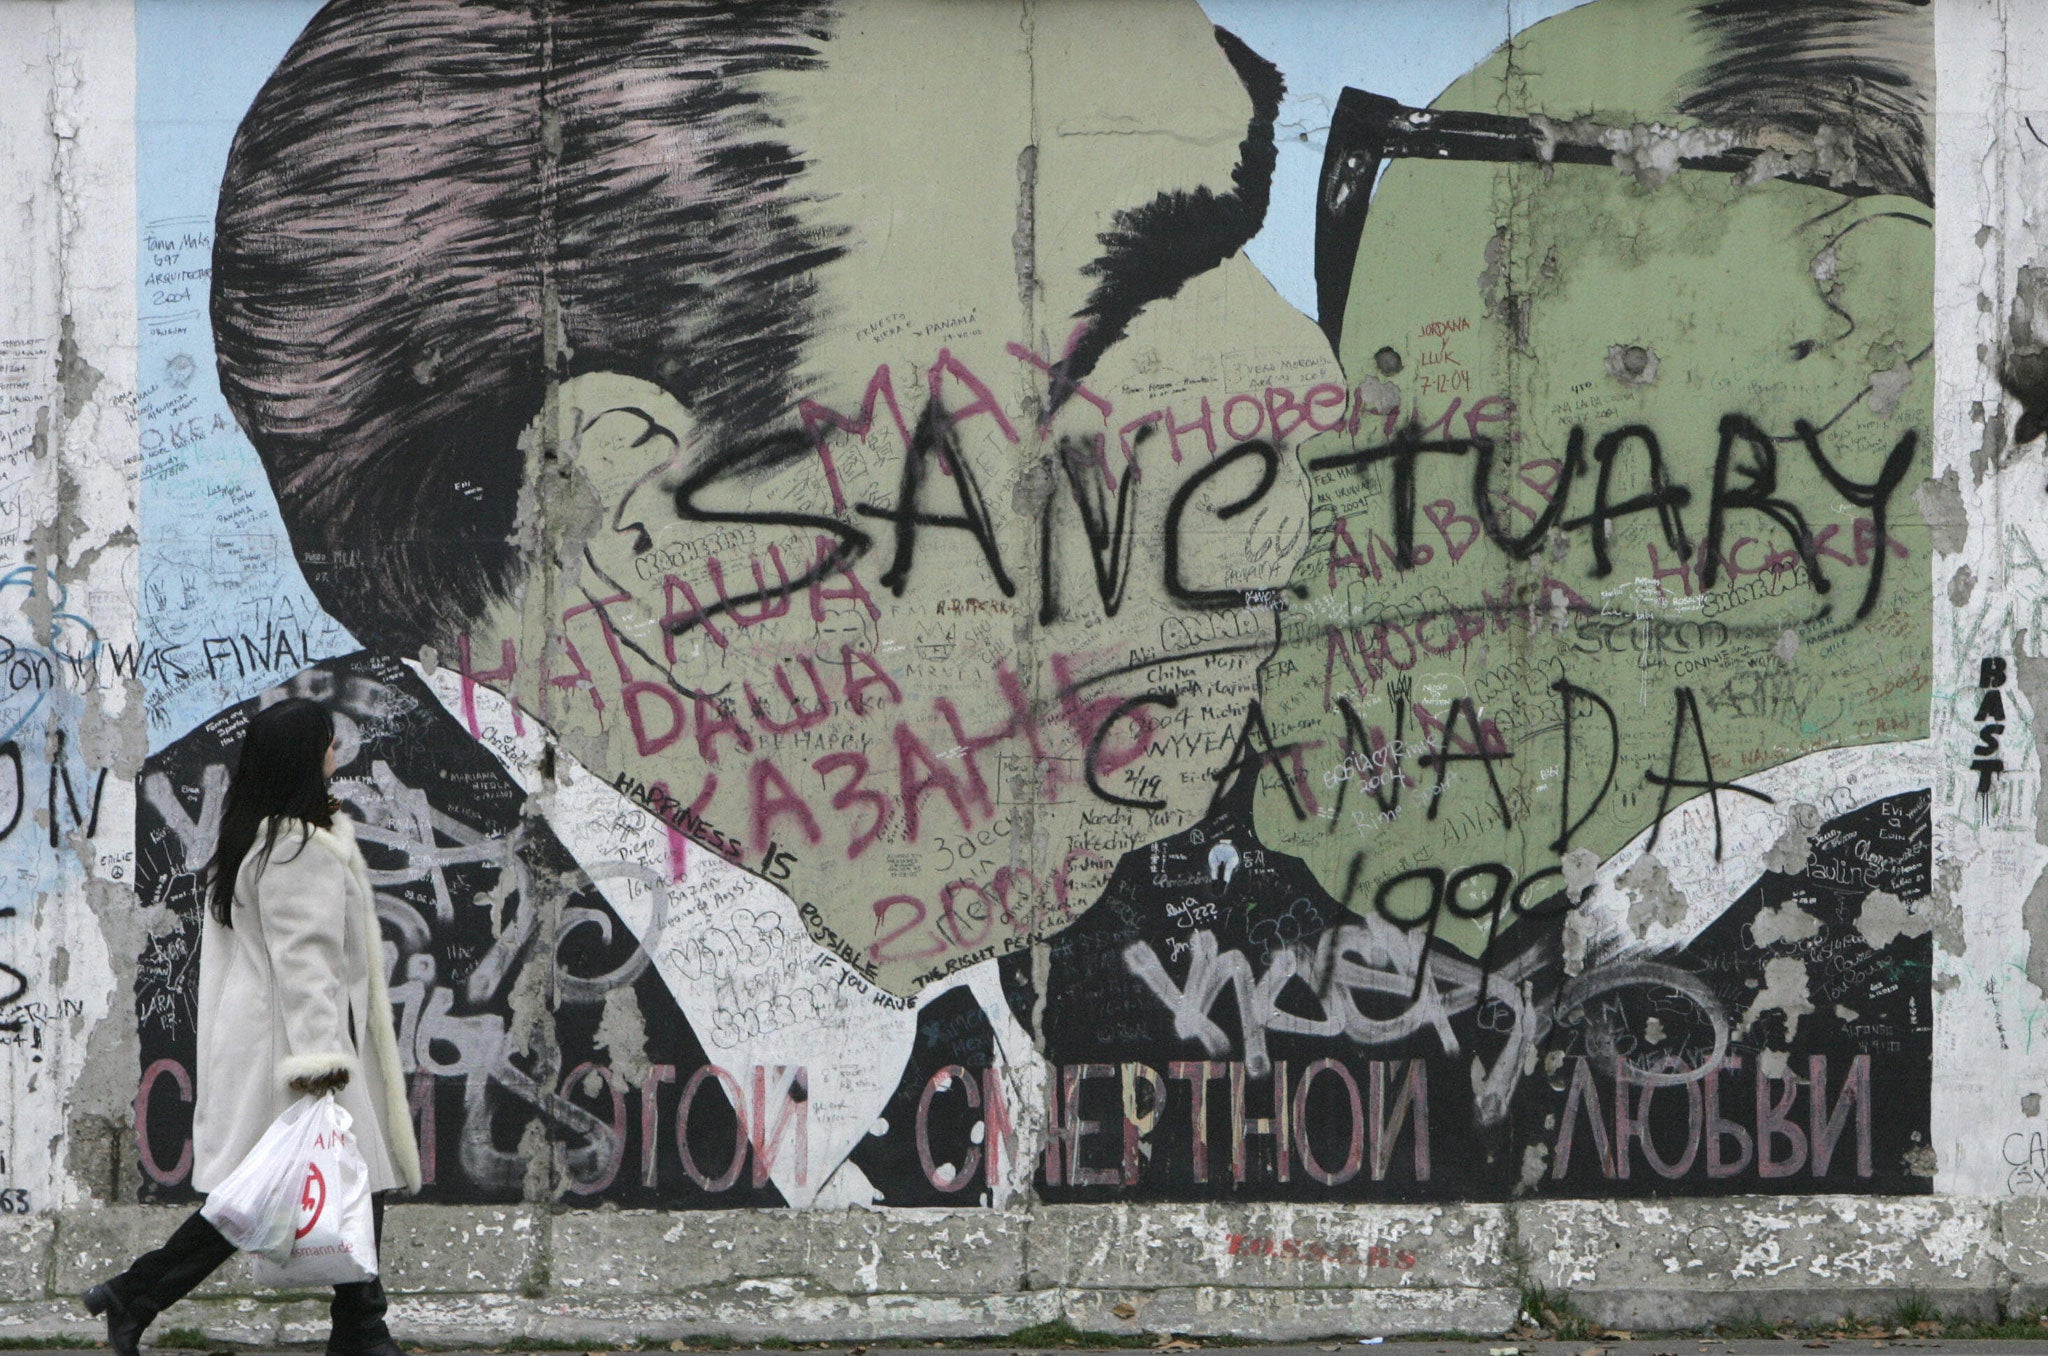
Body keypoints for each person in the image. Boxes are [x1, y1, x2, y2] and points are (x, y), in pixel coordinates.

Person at [88, 698, 420, 1356]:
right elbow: (307, 966)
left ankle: (361, 1325)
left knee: (336, 1181)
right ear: (305, 756)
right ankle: (138, 1292)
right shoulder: (298, 849)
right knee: (266, 1196)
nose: (335, 751)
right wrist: (323, 1065)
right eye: (327, 742)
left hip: (268, 1038)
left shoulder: (259, 834)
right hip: (299, 1044)